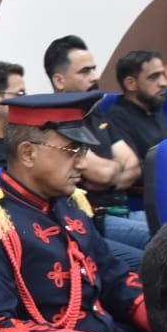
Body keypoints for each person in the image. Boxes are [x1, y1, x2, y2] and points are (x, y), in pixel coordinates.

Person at [0, 91, 147, 332]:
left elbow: (113, 277)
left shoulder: (68, 203)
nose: (81, 163)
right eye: (71, 151)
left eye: (82, 151)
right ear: (28, 153)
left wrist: (166, 320)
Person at [44, 35, 149, 269]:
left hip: (124, 210)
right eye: (85, 71)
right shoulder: (57, 124)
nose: (95, 77)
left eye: (94, 69)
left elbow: (133, 164)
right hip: (96, 220)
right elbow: (101, 174)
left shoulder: (94, 113)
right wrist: (114, 170)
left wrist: (110, 174)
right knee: (166, 243)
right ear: (59, 80)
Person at [104, 49, 167, 170]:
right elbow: (135, 168)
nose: (164, 83)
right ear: (131, 84)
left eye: (163, 75)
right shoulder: (117, 118)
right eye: (154, 77)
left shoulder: (155, 106)